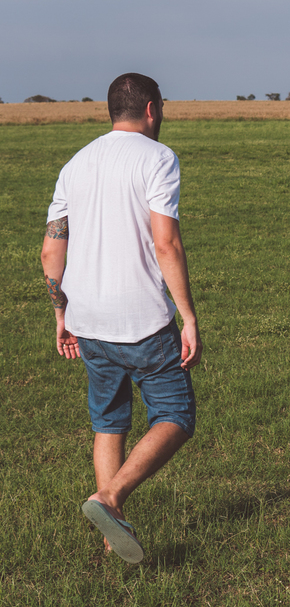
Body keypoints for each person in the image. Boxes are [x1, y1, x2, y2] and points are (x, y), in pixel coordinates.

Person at [40, 73, 202, 564]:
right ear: (152, 109)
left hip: (87, 318)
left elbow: (51, 248)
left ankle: (113, 537)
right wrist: (188, 315)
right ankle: (109, 499)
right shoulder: (159, 158)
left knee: (109, 423)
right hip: (143, 320)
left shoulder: (76, 163)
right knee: (175, 414)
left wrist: (60, 312)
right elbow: (165, 242)